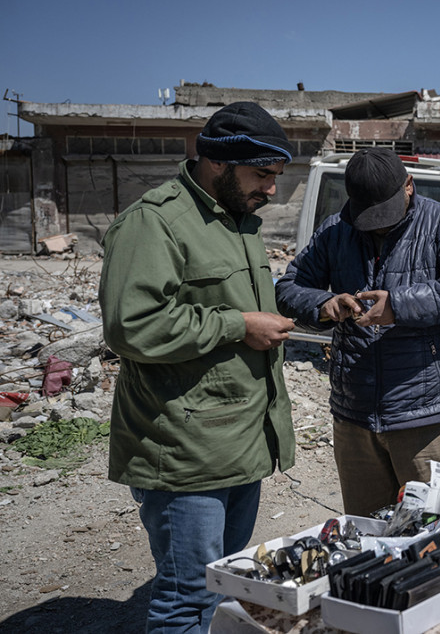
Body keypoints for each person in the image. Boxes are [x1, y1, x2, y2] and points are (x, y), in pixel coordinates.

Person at [99, 102, 297, 632]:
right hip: (185, 453)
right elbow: (130, 326)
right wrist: (239, 325)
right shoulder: (155, 222)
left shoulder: (237, 220)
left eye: (275, 176)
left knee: (223, 585)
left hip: (240, 443)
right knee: (186, 598)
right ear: (217, 163)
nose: (271, 190)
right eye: (261, 175)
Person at [275, 148, 440, 516]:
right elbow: (288, 288)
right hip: (355, 419)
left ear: (409, 185)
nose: (378, 225)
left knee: (436, 536)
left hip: (428, 421)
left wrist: (399, 306)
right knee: (366, 538)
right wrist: (324, 305)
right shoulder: (335, 230)